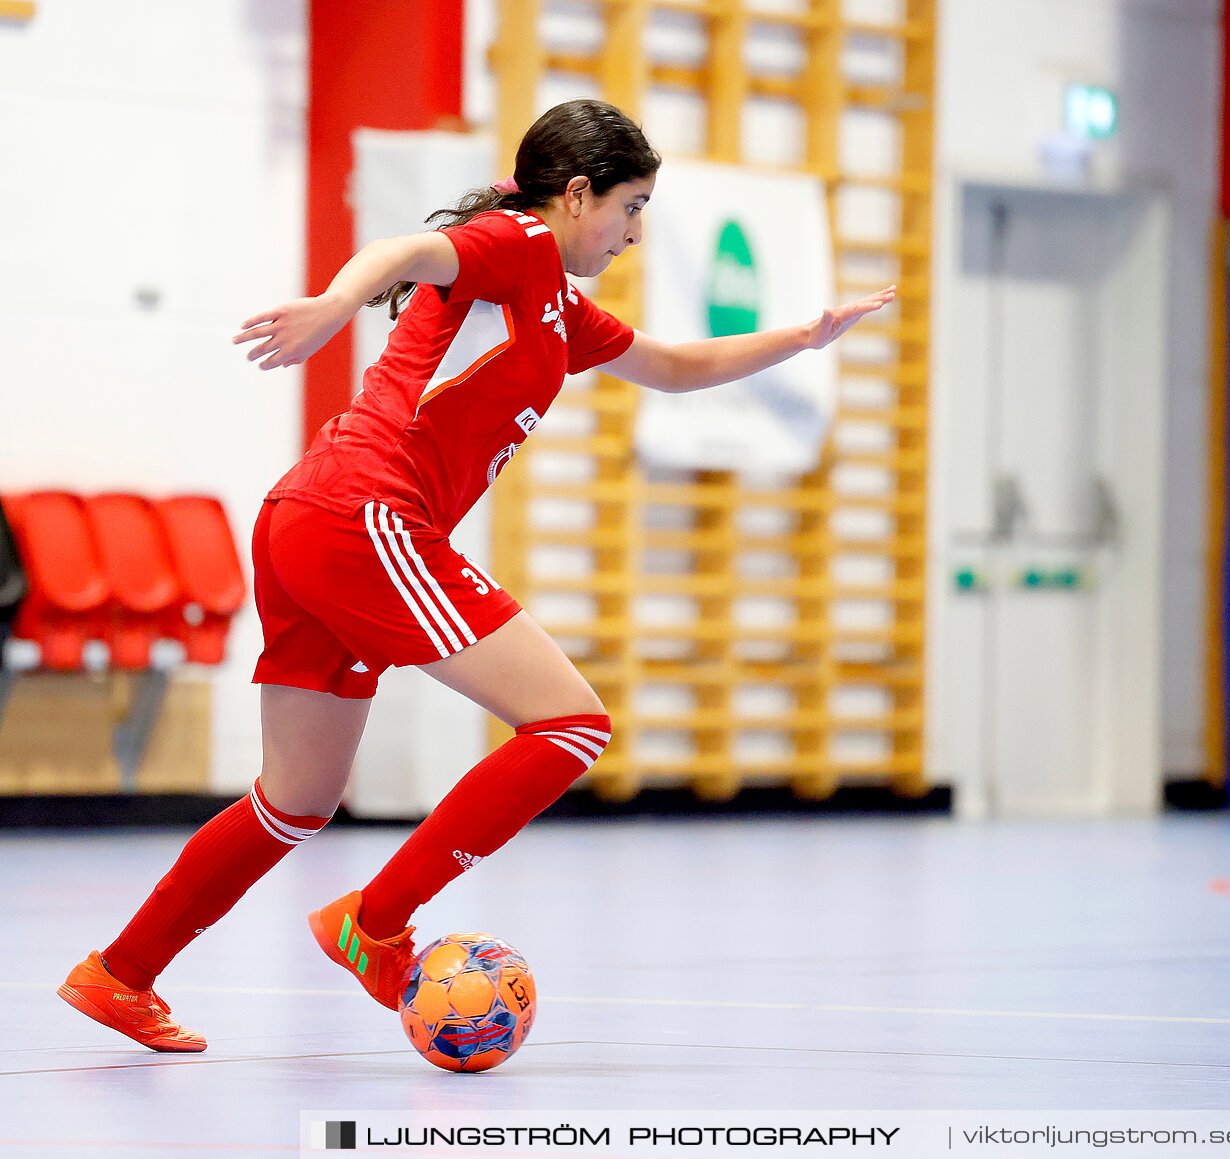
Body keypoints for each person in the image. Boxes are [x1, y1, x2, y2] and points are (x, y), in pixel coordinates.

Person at [57, 98, 895, 1052]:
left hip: (311, 522)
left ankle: (119, 974)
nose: (632, 231)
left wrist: (802, 339)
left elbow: (669, 364)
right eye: (630, 207)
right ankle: (373, 922)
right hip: (365, 516)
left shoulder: (557, 303)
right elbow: (406, 252)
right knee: (572, 722)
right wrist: (335, 304)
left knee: (292, 801)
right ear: (578, 195)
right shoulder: (519, 243)